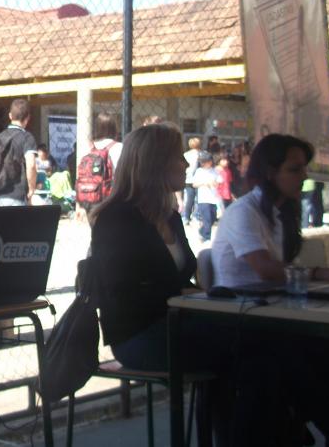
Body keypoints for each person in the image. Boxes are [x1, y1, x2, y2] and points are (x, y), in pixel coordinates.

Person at [89, 123, 283, 445]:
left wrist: (198, 294)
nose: (184, 163)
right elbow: (122, 292)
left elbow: (178, 279)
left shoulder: (170, 216)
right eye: (177, 156)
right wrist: (181, 295)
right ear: (155, 163)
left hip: (180, 324)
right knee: (255, 350)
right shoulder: (116, 218)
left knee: (260, 347)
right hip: (138, 336)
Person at [211, 133, 329, 446]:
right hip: (239, 318)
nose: (304, 176)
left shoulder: (280, 213)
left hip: (272, 313)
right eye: (295, 169)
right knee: (287, 356)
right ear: (271, 173)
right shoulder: (244, 211)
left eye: (304, 168)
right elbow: (266, 268)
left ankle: (294, 414)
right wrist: (321, 274)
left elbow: (280, 273)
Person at [0, 98, 37, 206]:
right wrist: (31, 188)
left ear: (10, 116)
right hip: (17, 196)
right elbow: (31, 165)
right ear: (28, 118)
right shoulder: (26, 137)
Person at [192, 151, 221, 243]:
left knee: (213, 217)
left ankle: (202, 231)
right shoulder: (199, 171)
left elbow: (219, 182)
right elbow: (194, 184)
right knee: (207, 218)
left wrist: (215, 183)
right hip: (203, 198)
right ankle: (206, 237)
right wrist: (205, 183)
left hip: (213, 198)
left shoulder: (214, 171)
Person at [182, 137, 202, 225]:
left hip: (188, 179)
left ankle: (186, 217)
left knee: (189, 199)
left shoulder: (186, 154)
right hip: (199, 180)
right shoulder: (202, 154)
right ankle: (196, 216)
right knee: (198, 199)